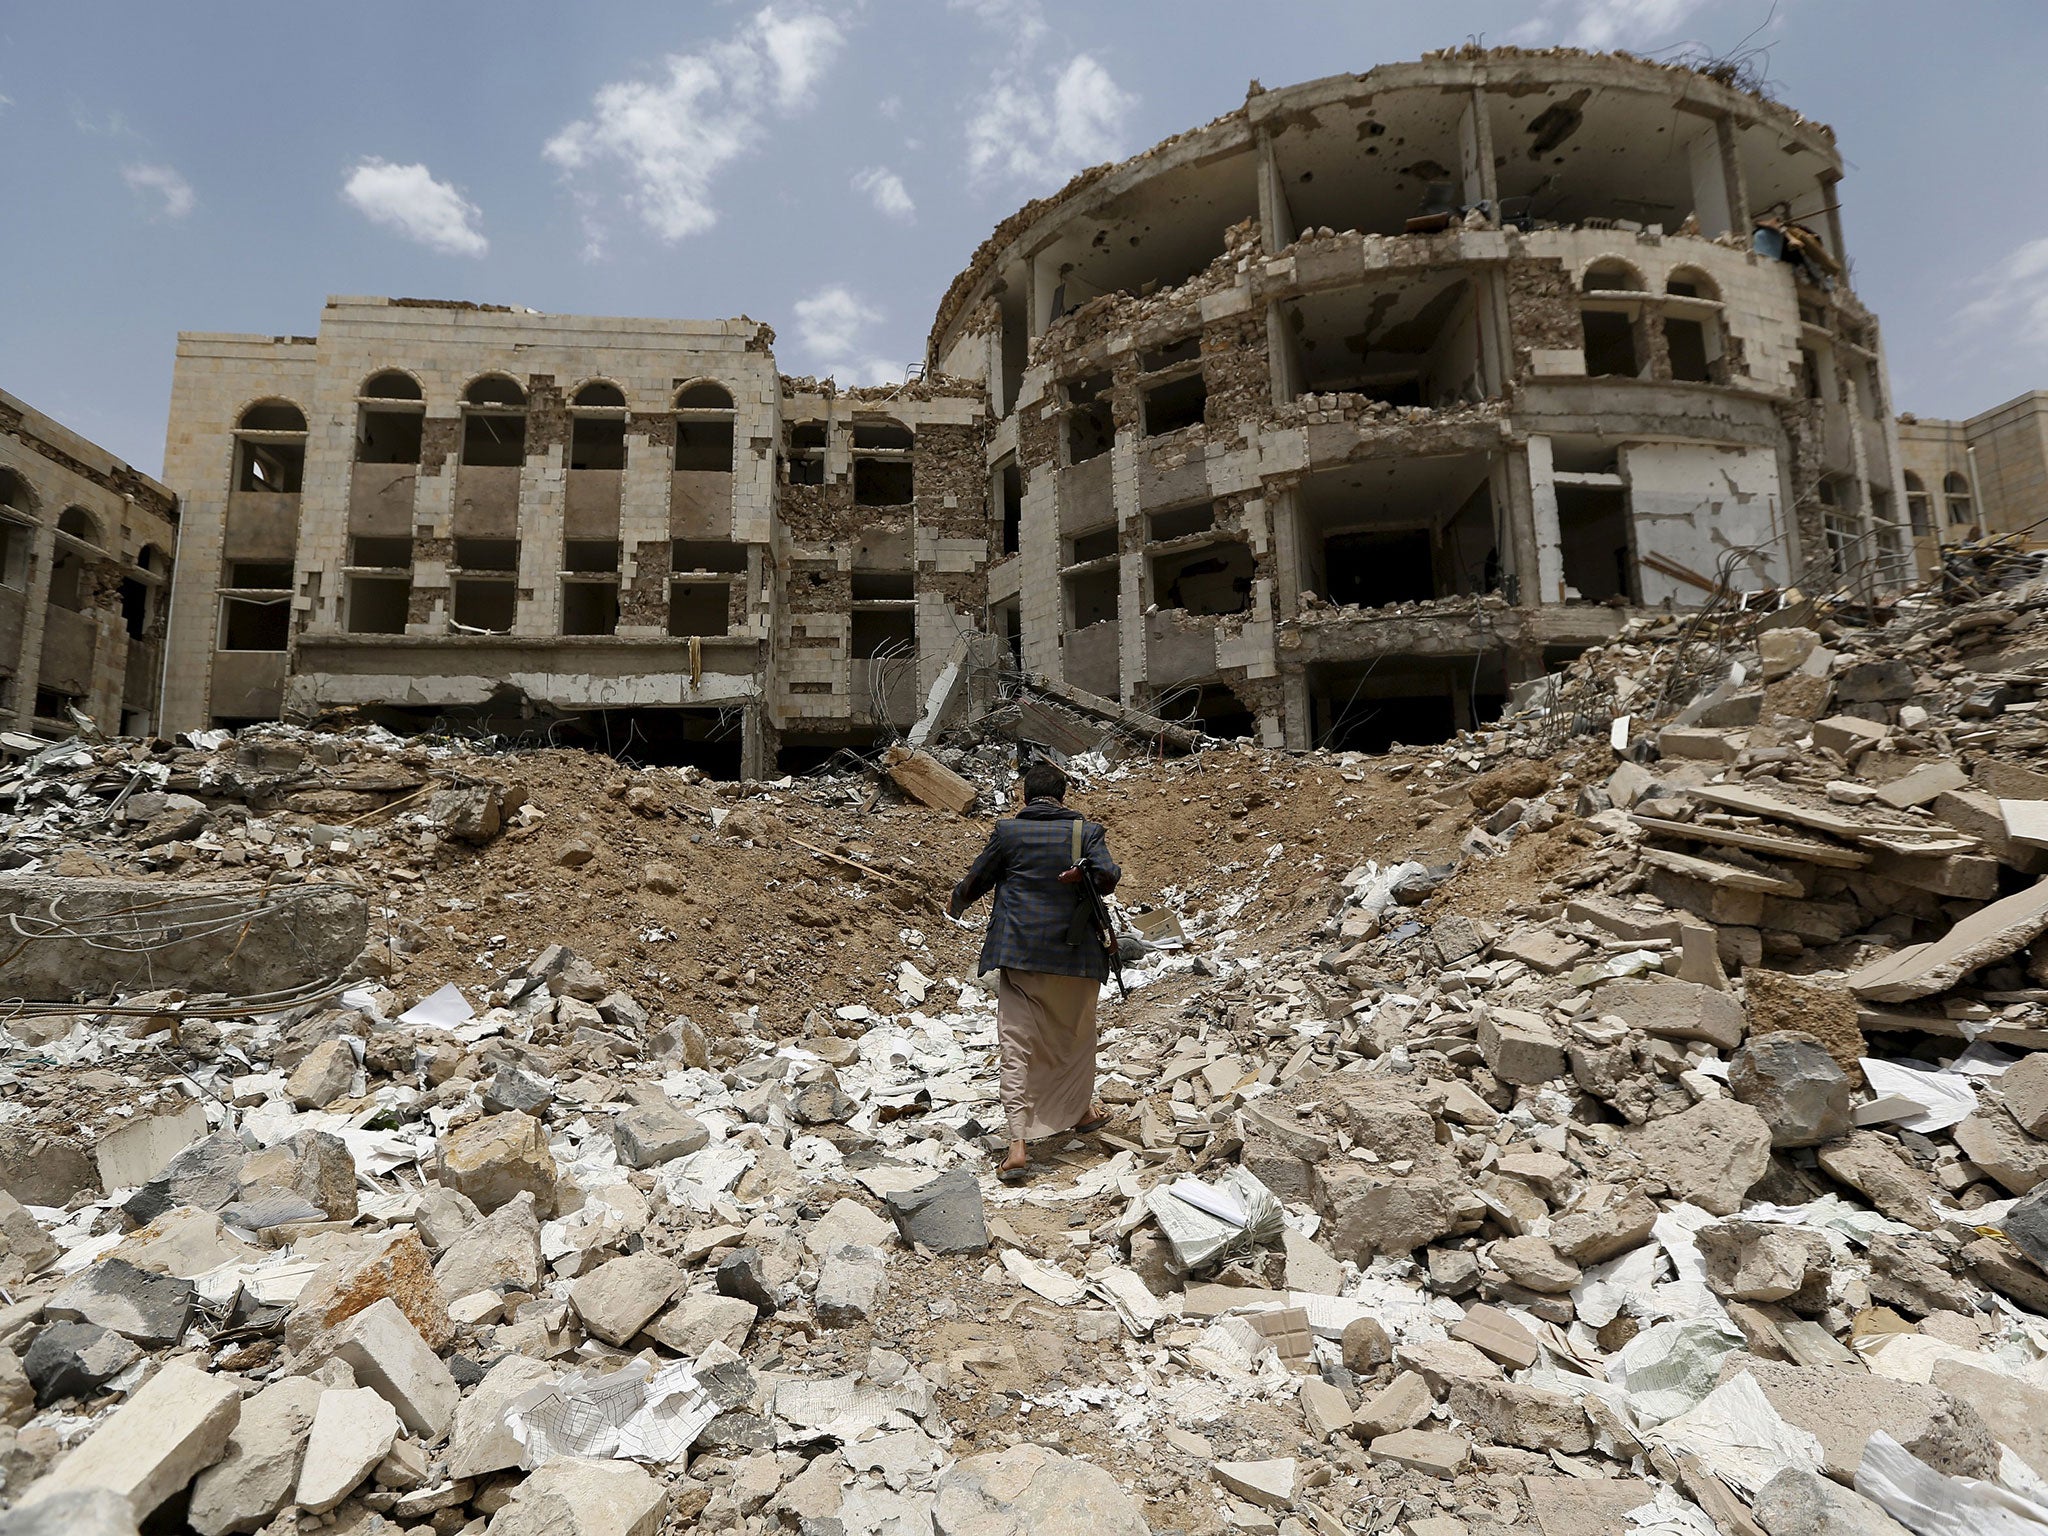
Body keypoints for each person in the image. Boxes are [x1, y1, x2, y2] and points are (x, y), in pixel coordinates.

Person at [949, 759, 1122, 1183]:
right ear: (1063, 795)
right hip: (1077, 956)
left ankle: (1018, 1144)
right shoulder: (1086, 833)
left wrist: (956, 902)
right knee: (1074, 1037)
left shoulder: (1009, 832)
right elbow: (1109, 877)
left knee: (1018, 1043)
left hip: (1022, 953)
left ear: (1024, 796)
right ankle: (1081, 1110)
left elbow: (978, 878)